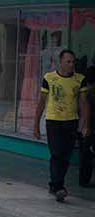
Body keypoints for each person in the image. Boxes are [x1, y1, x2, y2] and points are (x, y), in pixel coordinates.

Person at [33, 49, 90, 202]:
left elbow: (84, 103)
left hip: (71, 122)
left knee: (66, 156)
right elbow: (41, 102)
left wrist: (85, 124)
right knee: (56, 153)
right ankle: (59, 187)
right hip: (53, 121)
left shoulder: (80, 79)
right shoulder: (49, 78)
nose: (71, 65)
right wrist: (36, 125)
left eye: (73, 62)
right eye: (68, 62)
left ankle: (55, 185)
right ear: (61, 62)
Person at [81, 64, 95, 188]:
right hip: (90, 126)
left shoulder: (87, 92)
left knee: (87, 154)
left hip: (88, 126)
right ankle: (84, 179)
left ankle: (84, 179)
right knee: (87, 153)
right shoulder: (89, 93)